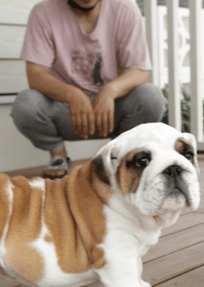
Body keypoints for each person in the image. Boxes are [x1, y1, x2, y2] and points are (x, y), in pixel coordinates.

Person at [11, 0, 167, 179]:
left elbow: (139, 70)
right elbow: (35, 75)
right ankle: (58, 156)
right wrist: (71, 94)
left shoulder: (125, 8)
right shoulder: (43, 12)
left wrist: (110, 90)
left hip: (112, 110)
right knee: (26, 105)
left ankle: (117, 155)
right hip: (66, 111)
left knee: (151, 98)